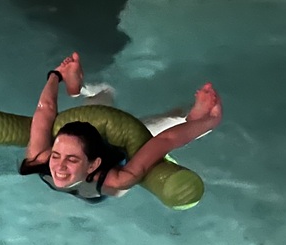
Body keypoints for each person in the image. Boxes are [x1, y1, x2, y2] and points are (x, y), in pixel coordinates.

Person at [19, 53, 222, 200]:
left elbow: (164, 141)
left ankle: (191, 118)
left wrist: (210, 121)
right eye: (56, 155)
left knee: (146, 129)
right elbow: (44, 111)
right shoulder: (40, 159)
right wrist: (55, 75)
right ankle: (77, 88)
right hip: (92, 134)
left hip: (121, 147)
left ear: (93, 165)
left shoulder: (116, 180)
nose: (59, 166)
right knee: (104, 93)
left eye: (71, 159)